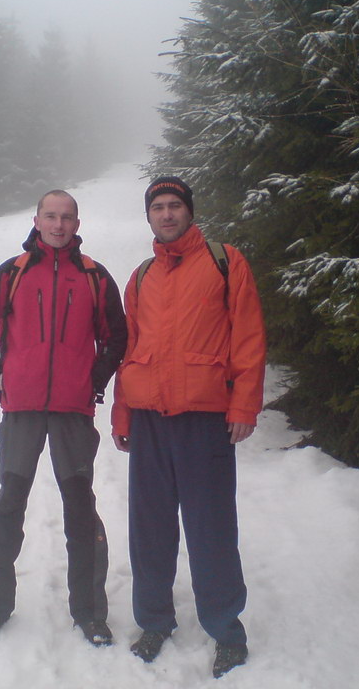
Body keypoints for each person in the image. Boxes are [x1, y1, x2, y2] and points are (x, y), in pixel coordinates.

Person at [111, 176, 266, 678]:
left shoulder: (224, 261)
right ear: (149, 217)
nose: (167, 213)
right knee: (150, 528)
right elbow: (128, 352)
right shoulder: (140, 277)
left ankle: (225, 630)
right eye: (158, 207)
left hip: (204, 419)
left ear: (189, 212)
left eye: (175, 205)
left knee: (211, 528)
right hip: (150, 419)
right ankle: (154, 621)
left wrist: (244, 405)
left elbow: (248, 335)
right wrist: (122, 411)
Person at [0, 189, 127, 647]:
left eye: (66, 217)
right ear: (36, 220)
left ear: (76, 223)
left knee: (80, 507)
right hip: (22, 408)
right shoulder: (13, 273)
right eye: (50, 216)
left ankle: (90, 613)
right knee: (9, 505)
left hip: (73, 411)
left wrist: (93, 379)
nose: (58, 225)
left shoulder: (93, 276)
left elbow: (118, 336)